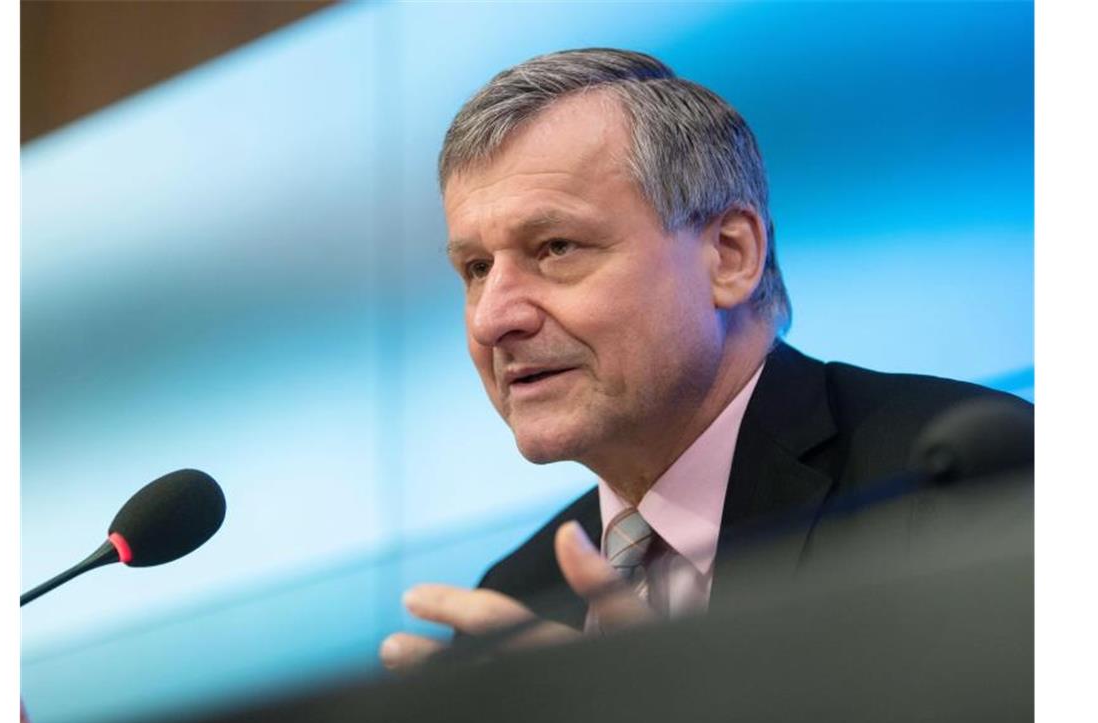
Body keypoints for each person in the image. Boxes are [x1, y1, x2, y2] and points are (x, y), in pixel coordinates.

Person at [377, 47, 1024, 669]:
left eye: (556, 247)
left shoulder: (961, 484)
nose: (493, 318)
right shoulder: (517, 603)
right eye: (476, 268)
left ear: (729, 255)